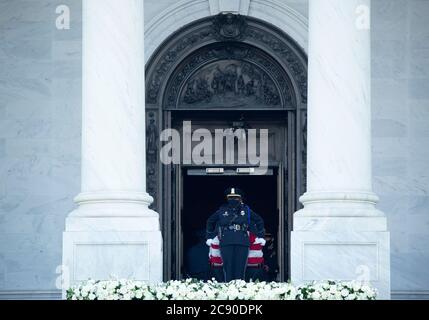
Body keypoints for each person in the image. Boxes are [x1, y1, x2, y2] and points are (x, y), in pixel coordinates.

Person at [206, 187, 265, 282]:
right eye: (230, 197)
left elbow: (259, 220)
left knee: (240, 268)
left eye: (235, 197)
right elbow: (210, 221)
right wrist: (209, 237)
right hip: (226, 241)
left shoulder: (246, 210)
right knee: (227, 268)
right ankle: (229, 289)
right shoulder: (222, 210)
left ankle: (238, 290)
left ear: (240, 198)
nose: (233, 200)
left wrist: (261, 236)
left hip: (242, 241)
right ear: (227, 198)